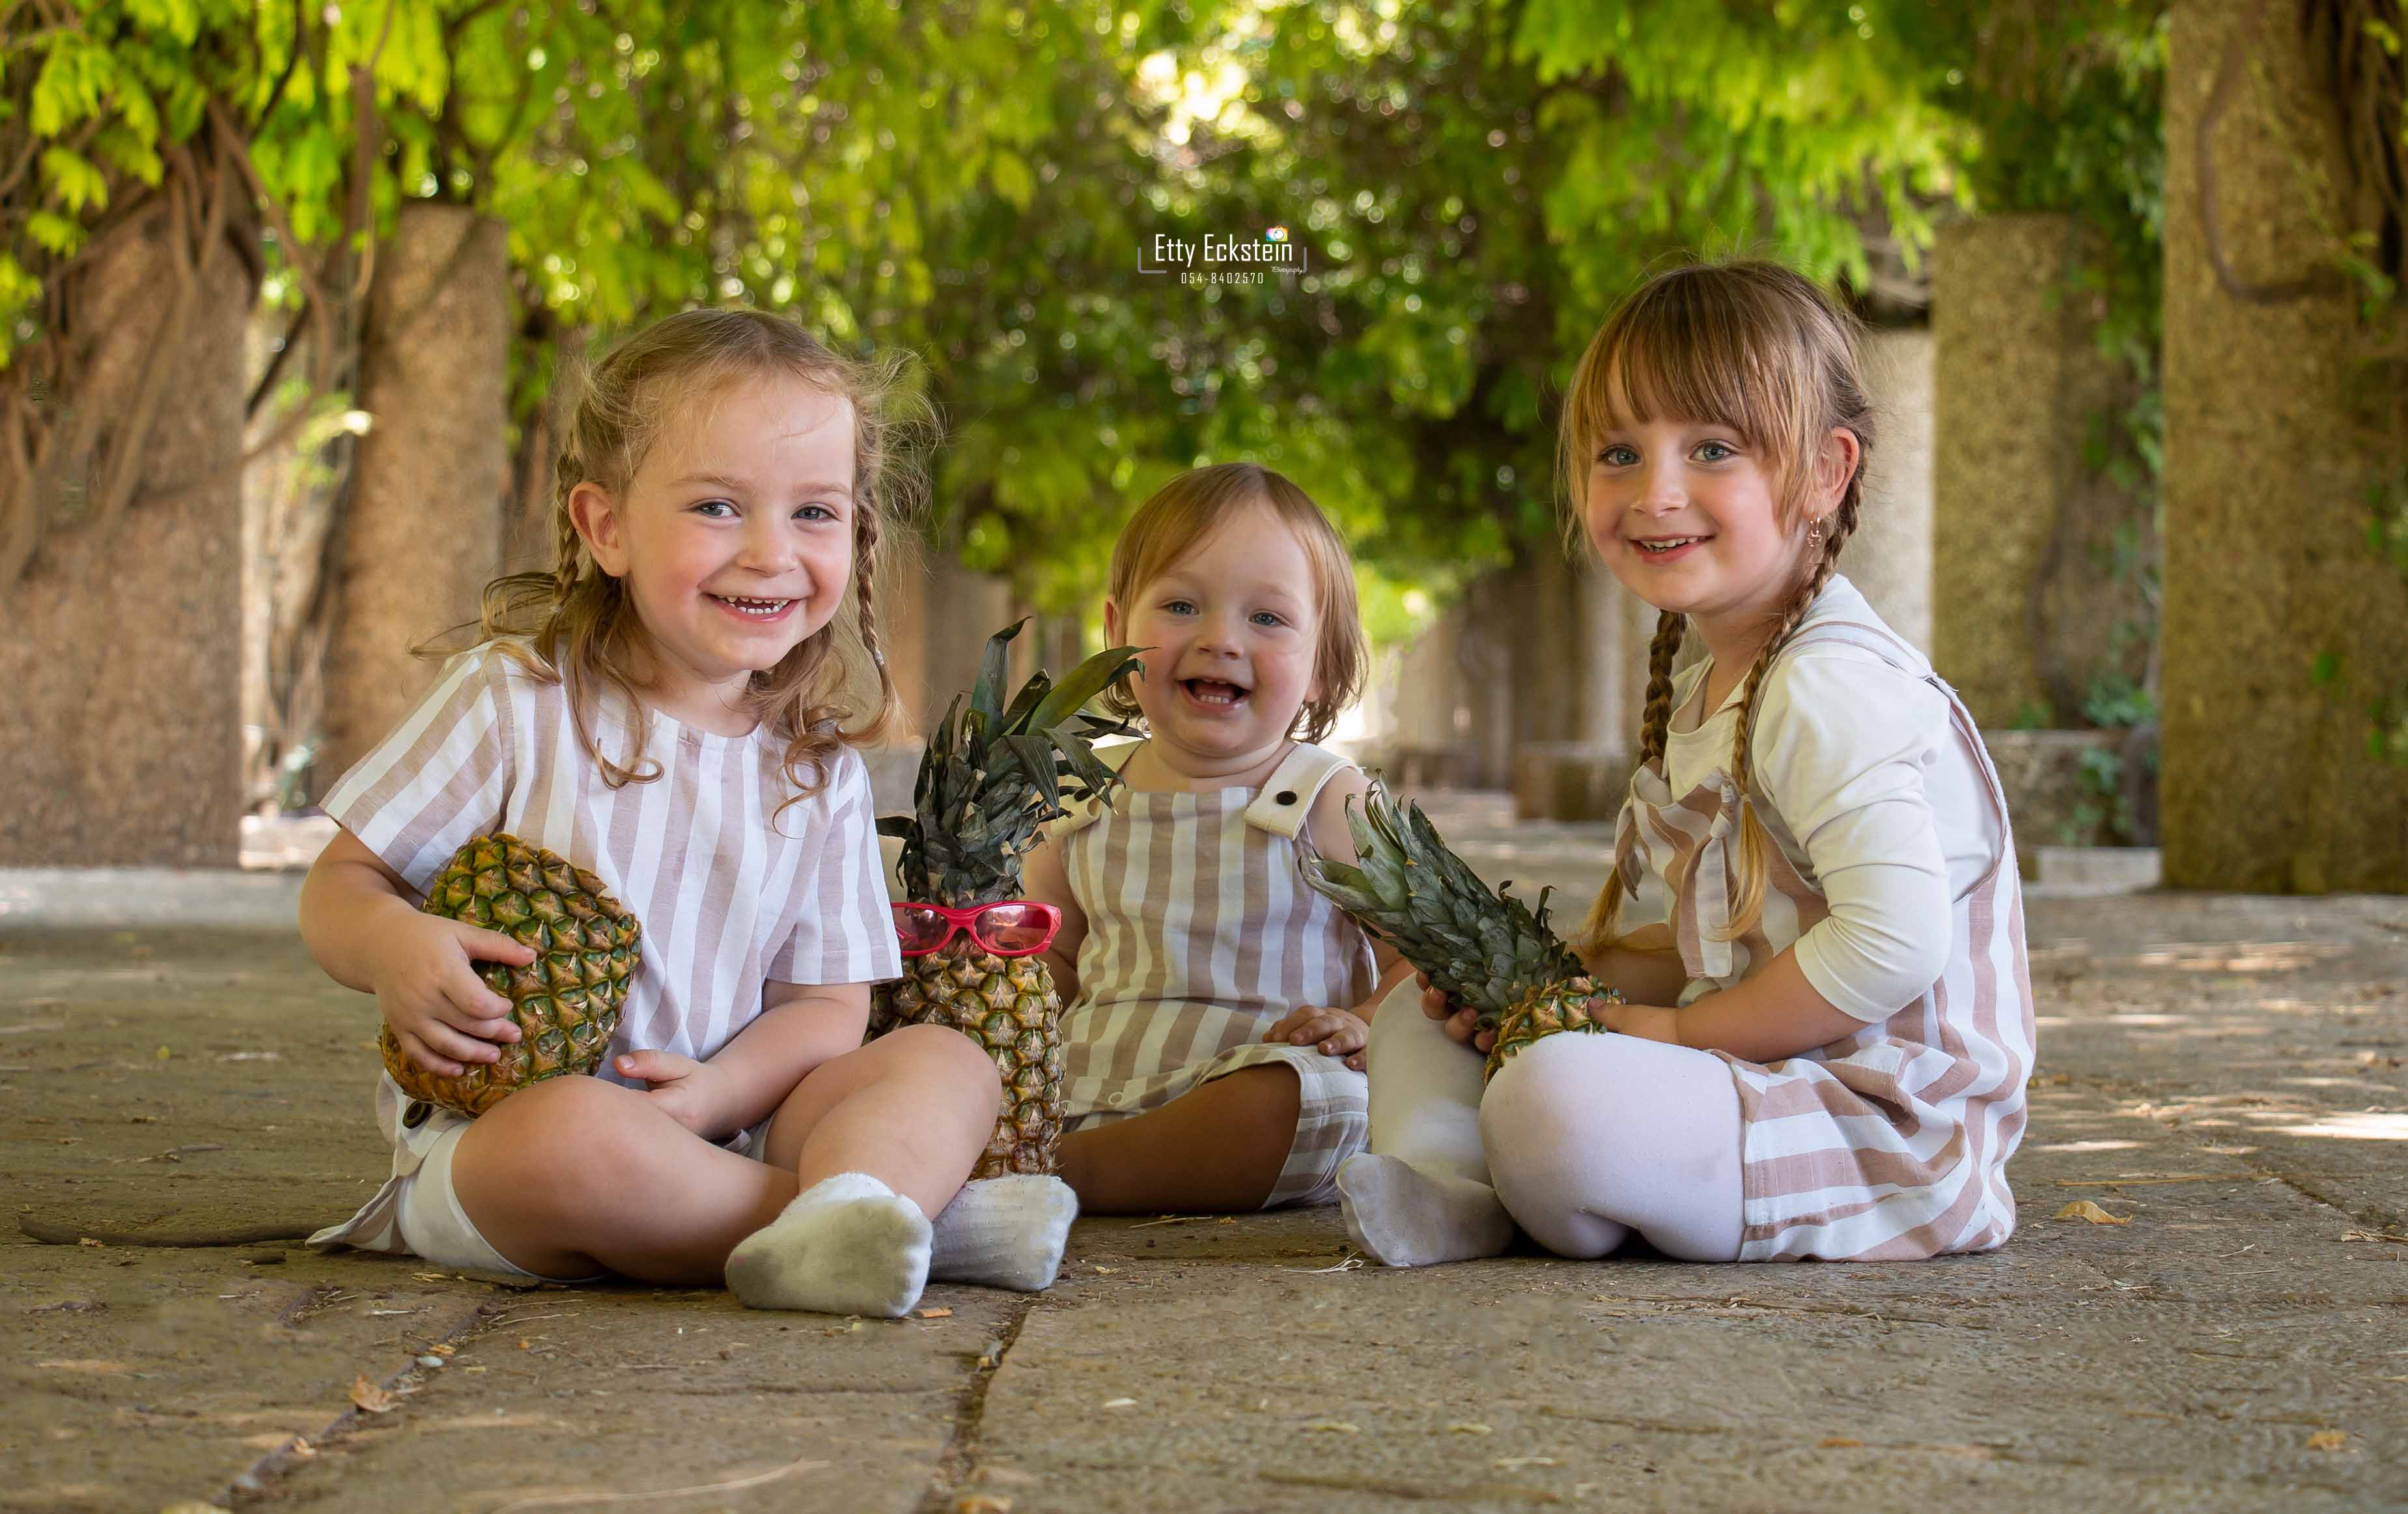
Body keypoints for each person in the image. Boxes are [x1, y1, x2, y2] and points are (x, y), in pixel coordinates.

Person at [301, 309, 1072, 1317]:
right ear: (607, 528)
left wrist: (717, 1096)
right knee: (573, 1135)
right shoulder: (515, 699)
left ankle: (850, 1210)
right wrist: (392, 945)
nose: (769, 552)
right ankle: (900, 1225)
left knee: (947, 1060)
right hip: (498, 1145)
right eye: (716, 505)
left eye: (814, 513)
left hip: (740, 1125)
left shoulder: (818, 775)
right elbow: (342, 884)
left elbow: (823, 1011)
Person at [1342, 260, 2034, 1265]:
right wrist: (1559, 987)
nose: (1654, 492)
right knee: (1425, 1012)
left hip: (1873, 1126)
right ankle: (1456, 1193)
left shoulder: (1825, 686)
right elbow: (1727, 945)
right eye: (1618, 453)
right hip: (1751, 1081)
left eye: (1711, 448)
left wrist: (1665, 1037)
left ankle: (1538, 1176)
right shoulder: (1719, 682)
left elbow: (1892, 943)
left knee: (1556, 1096)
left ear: (1826, 472)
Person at [1019, 463, 1415, 1214]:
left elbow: (1417, 961)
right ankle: (1062, 1157)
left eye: (1265, 619)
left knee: (1317, 1099)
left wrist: (1361, 1025)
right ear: (1115, 634)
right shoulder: (1079, 796)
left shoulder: (1327, 799)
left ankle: (1074, 1177)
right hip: (1093, 1084)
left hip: (1251, 1093)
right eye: (1180, 606)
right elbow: (1053, 960)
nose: (1219, 639)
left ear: (1323, 664)